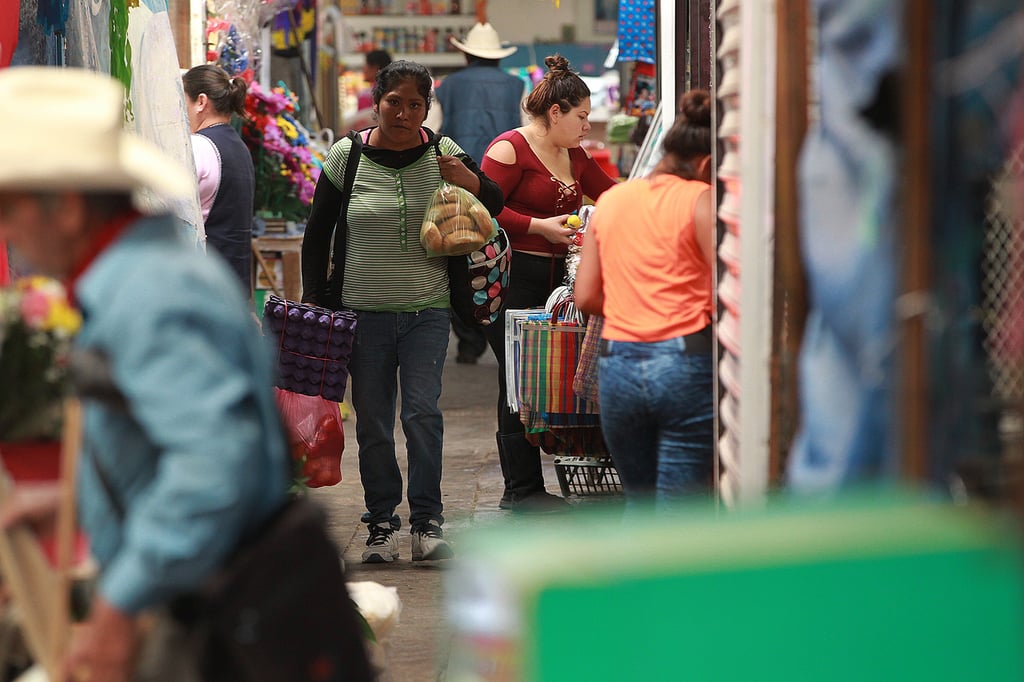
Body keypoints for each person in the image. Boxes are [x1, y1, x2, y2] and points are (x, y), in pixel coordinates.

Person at [0, 67, 370, 681]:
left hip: (216, 621)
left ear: (65, 208)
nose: (7, 231)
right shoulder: (140, 277)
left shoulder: (150, 294)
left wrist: (116, 613)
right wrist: (71, 497)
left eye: (9, 209)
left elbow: (212, 468)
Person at [301, 60, 504, 563]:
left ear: (427, 107)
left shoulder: (442, 151)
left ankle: (427, 523)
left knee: (421, 415)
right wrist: (315, 301)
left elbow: (495, 202)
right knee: (372, 421)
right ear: (377, 101)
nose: (404, 113)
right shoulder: (347, 156)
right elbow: (315, 235)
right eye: (395, 102)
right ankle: (381, 524)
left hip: (427, 312)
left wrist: (467, 180)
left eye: (416, 104)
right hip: (361, 314)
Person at [480, 54, 617, 512]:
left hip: (558, 282)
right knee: (515, 378)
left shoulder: (574, 155)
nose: (586, 126)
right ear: (555, 112)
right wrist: (541, 227)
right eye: (581, 117)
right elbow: (483, 209)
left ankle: (531, 486)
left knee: (542, 377)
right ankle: (519, 491)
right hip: (513, 278)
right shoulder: (509, 149)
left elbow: (613, 193)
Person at [574, 89, 716, 506]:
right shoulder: (700, 201)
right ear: (706, 164)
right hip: (683, 363)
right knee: (677, 513)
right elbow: (725, 289)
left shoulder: (613, 199)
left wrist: (634, 303)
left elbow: (585, 296)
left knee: (638, 504)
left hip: (618, 365)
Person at [436, 21, 525, 365]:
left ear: (466, 54)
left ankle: (469, 339)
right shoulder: (517, 85)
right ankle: (498, 328)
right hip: (503, 182)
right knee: (497, 252)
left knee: (459, 254)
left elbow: (433, 127)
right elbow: (524, 128)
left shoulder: (448, 86)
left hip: (460, 180)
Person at [182, 64, 256, 299]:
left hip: (205, 287)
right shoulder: (239, 148)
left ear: (201, 102)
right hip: (234, 285)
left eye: (182, 100)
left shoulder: (197, 147)